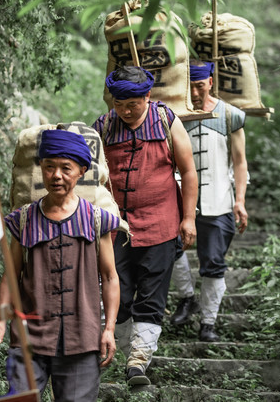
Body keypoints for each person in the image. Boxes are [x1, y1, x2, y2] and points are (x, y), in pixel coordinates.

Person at [0, 129, 120, 402]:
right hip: (29, 338)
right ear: (42, 170)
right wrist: (0, 319)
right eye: (49, 168)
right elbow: (11, 275)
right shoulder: (23, 220)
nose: (56, 175)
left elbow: (109, 277)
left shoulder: (97, 220)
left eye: (65, 168)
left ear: (81, 170)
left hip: (82, 337)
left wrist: (109, 329)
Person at [92, 66, 198, 386]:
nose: (125, 111)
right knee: (118, 295)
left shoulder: (167, 121)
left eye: (133, 104)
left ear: (147, 97)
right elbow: (89, 176)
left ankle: (138, 361)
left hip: (160, 223)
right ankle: (128, 351)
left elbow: (189, 172)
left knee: (151, 296)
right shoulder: (104, 126)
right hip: (116, 227)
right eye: (119, 104)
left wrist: (188, 218)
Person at [169, 60, 249, 342]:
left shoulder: (229, 115)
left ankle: (208, 323)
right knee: (172, 250)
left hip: (218, 202)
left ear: (210, 82)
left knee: (213, 261)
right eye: (189, 85)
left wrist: (239, 200)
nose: (194, 92)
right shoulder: (174, 115)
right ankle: (187, 297)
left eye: (199, 85)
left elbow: (239, 162)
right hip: (179, 201)